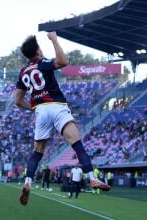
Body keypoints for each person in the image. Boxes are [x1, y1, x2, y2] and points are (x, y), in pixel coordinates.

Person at [15, 31, 111, 206]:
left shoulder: (23, 72)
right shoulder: (42, 63)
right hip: (57, 106)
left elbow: (18, 100)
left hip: (41, 111)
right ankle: (92, 178)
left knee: (37, 152)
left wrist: (35, 107)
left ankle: (28, 181)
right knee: (76, 142)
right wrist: (54, 40)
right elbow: (63, 62)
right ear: (37, 51)